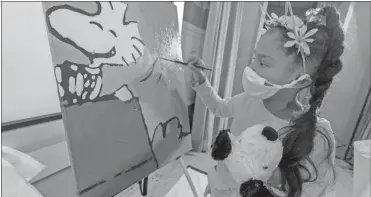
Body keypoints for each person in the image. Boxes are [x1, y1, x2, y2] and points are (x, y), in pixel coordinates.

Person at [185, 6, 344, 197]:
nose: (250, 68)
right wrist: (201, 82)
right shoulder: (249, 100)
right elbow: (219, 107)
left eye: (264, 63)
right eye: (254, 58)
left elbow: (313, 190)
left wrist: (274, 178)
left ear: (301, 80)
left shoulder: (317, 137)